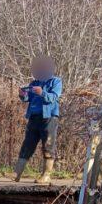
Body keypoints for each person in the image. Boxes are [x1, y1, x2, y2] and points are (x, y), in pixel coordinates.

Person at [14, 56, 63, 184]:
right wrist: (22, 94)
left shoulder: (56, 81)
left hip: (49, 117)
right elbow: (27, 99)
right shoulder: (34, 83)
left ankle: (46, 175)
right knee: (27, 144)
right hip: (34, 116)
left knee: (48, 145)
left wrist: (42, 93)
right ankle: (17, 173)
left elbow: (54, 97)